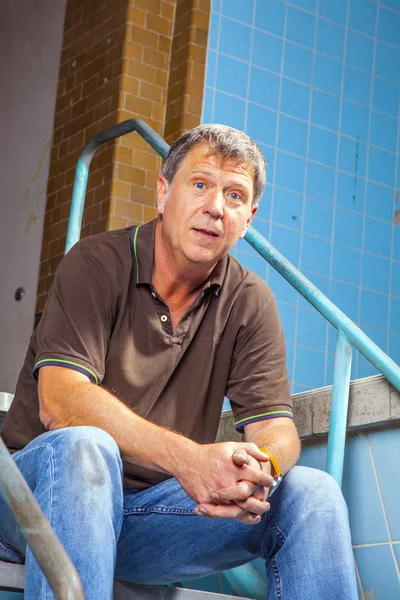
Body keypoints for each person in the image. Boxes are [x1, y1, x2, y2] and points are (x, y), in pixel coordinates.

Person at [0, 124, 358, 599]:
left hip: (145, 521)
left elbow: (277, 428)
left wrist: (258, 467)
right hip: (33, 503)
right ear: (163, 192)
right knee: (85, 447)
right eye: (200, 184)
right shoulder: (95, 263)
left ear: (248, 218)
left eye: (234, 195)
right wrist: (188, 459)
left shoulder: (250, 301)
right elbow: (61, 401)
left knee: (312, 493)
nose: (215, 206)